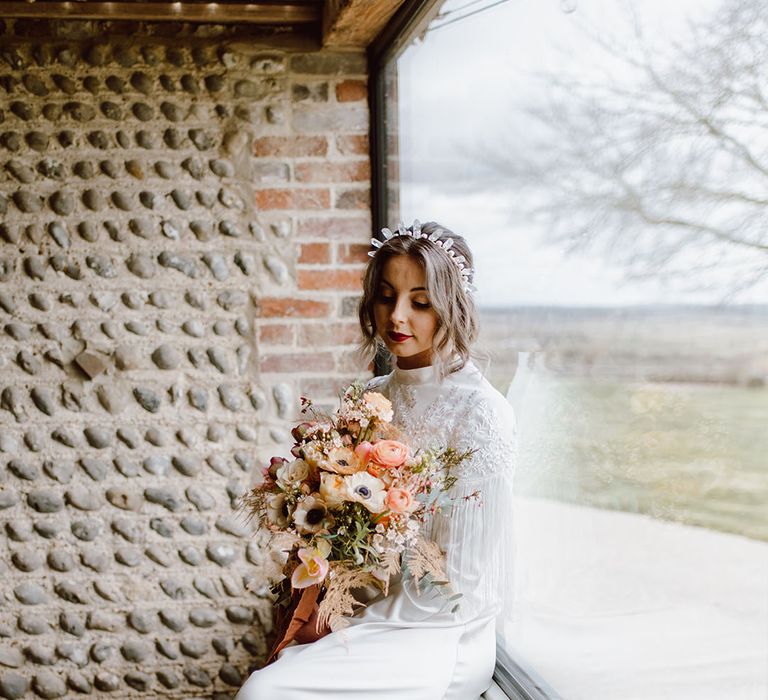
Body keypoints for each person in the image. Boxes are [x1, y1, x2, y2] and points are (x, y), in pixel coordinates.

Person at [237, 221, 516, 699]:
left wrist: (358, 606)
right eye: (386, 297)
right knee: (267, 683)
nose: (397, 316)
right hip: (363, 610)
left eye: (420, 302)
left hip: (439, 631)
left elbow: (467, 584)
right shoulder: (368, 398)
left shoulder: (482, 412)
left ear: (452, 307)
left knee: (266, 694)